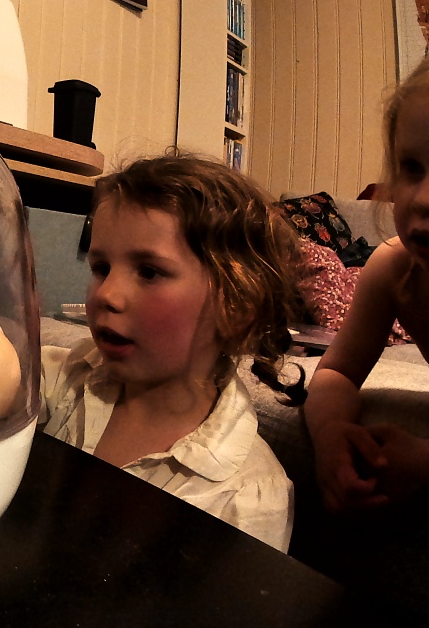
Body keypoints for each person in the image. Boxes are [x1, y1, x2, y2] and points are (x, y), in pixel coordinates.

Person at [40, 153, 304, 552]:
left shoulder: (249, 495)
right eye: (101, 268)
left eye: (149, 272)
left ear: (236, 307)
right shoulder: (65, 380)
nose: (107, 294)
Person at [305, 57, 429, 514]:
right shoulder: (393, 268)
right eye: (411, 167)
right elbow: (337, 372)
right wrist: (330, 432)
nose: (423, 198)